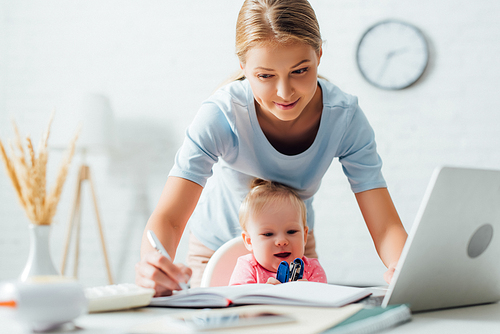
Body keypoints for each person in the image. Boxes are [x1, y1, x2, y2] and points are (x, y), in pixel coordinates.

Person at [135, 0, 407, 296]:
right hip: (216, 251)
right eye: (265, 76)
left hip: (293, 253)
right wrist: (154, 264)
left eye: (300, 70)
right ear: (243, 66)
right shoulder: (221, 114)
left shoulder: (345, 117)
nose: (284, 92)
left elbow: (384, 226)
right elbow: (170, 218)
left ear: (318, 55)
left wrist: (404, 267)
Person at [229, 178, 327, 285]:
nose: (281, 241)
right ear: (249, 241)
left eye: (291, 231)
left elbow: (324, 298)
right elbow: (238, 299)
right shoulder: (247, 267)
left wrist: (309, 293)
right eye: (268, 234)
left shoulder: (312, 269)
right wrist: (265, 294)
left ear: (304, 236)